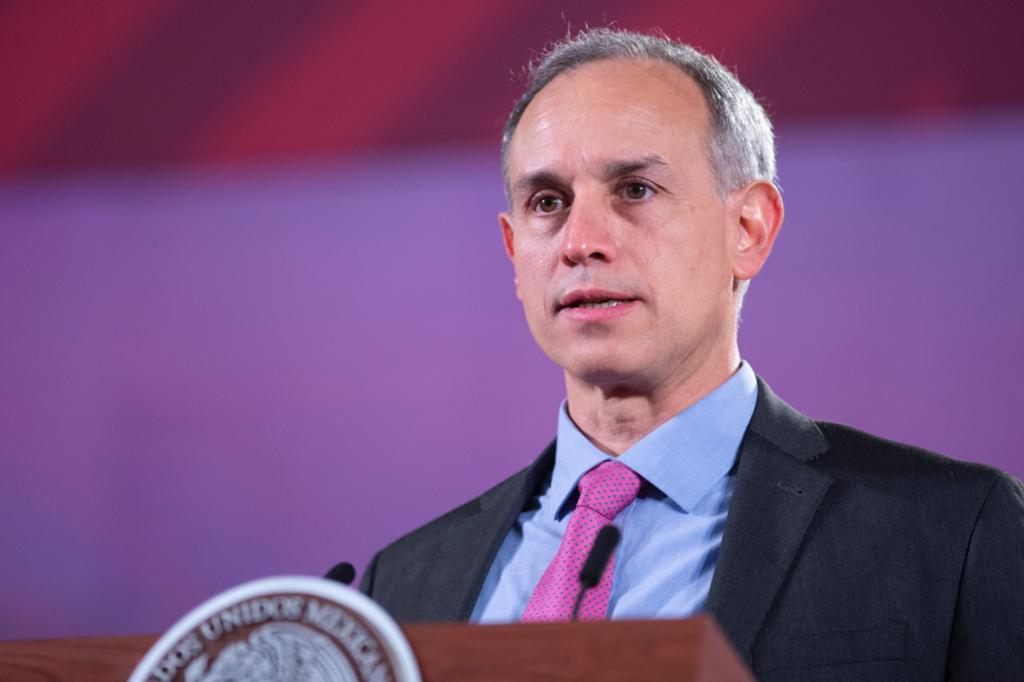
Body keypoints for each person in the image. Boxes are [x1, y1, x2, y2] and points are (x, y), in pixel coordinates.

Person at [357, 28, 1024, 680]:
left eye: (635, 189)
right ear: (513, 252)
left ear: (748, 228)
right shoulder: (402, 585)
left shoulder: (951, 532)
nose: (579, 241)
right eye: (548, 202)